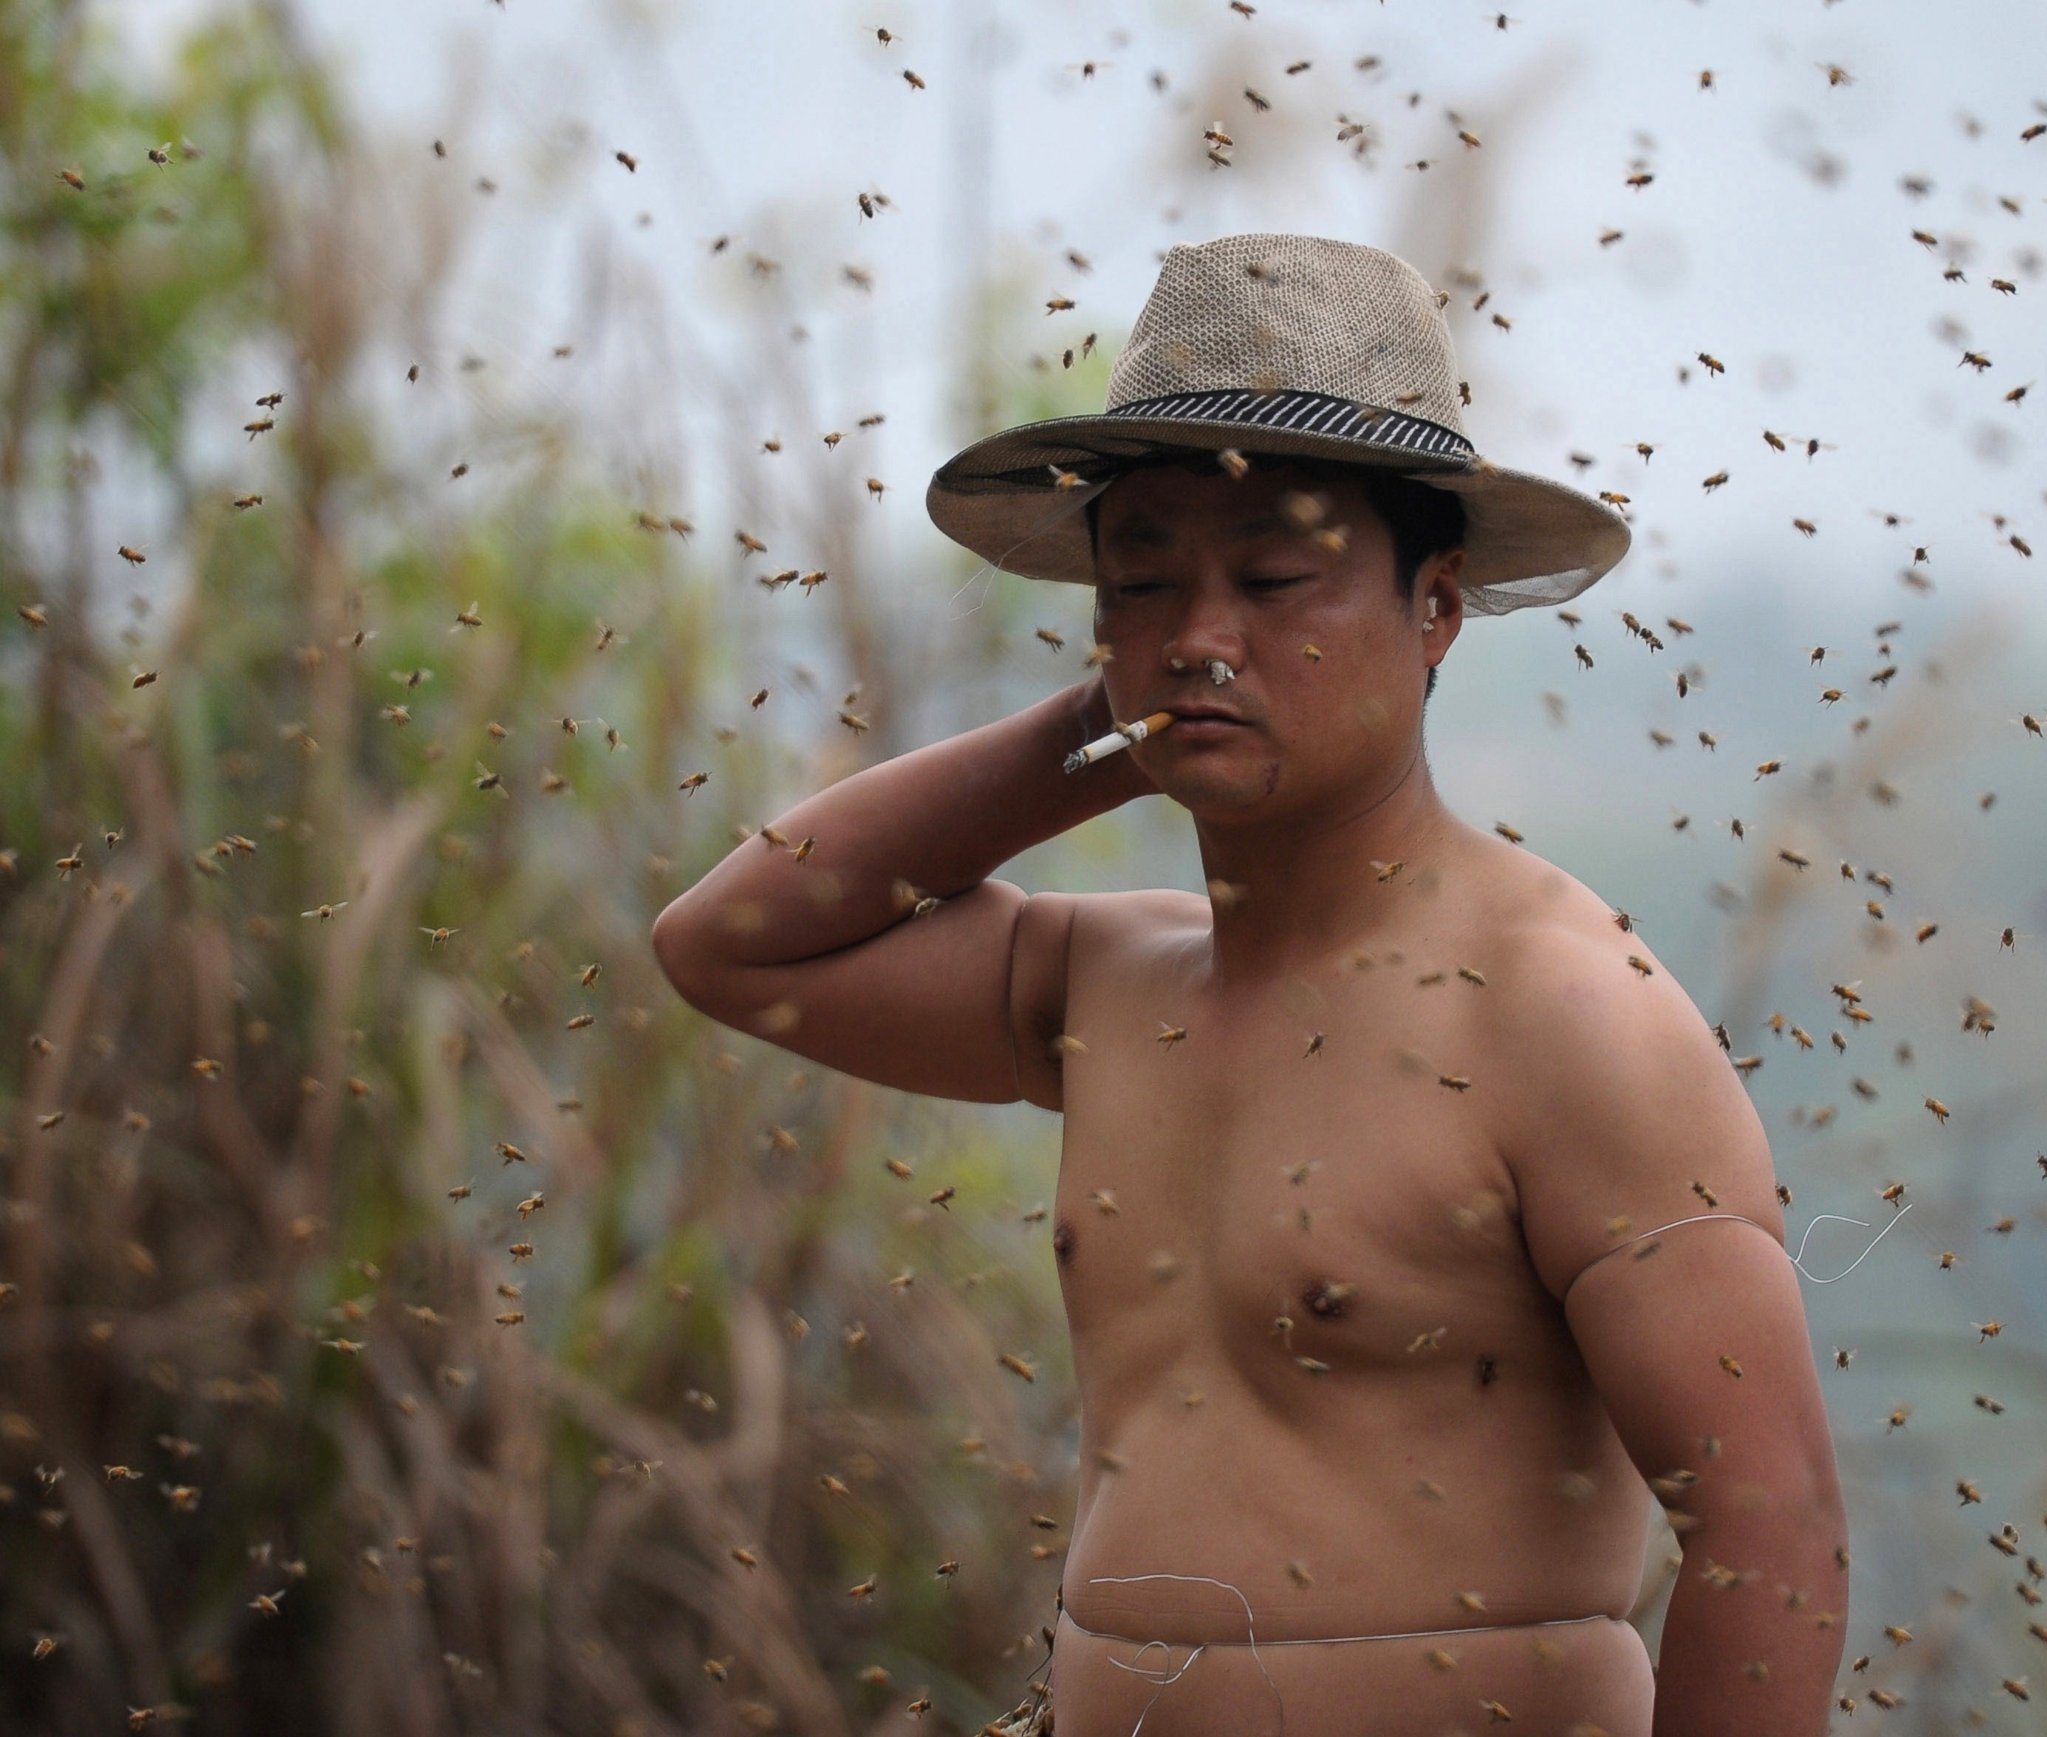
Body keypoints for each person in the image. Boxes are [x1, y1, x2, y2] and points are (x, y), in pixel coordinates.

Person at [651, 233, 1848, 1737]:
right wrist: (1125, 718)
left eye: (1277, 577)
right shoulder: (1104, 986)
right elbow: (732, 942)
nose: (1204, 633)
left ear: (1437, 609)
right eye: (1143, 579)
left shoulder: (1558, 1013)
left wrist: (1182, 670)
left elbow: (1774, 1527)